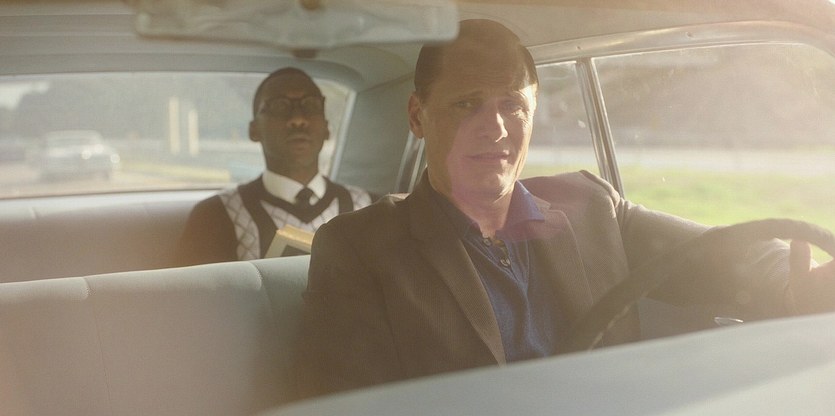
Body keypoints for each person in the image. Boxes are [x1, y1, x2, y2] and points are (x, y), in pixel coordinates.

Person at [294, 19, 835, 399]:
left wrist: (793, 285)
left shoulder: (589, 204)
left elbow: (714, 253)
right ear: (418, 115)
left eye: (513, 105)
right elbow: (348, 406)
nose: (495, 128)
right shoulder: (360, 247)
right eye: (466, 103)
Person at [176, 68, 374, 265]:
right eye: (279, 106)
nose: (298, 119)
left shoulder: (370, 208)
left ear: (327, 127)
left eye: (311, 105)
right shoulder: (215, 216)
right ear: (254, 130)